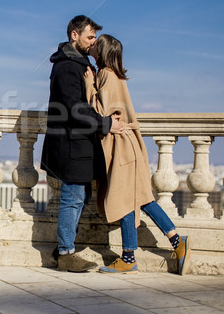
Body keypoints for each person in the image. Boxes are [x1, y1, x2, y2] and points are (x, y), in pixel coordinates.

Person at [87, 34, 191, 275]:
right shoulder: (117, 75)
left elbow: (100, 112)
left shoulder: (104, 75)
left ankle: (129, 258)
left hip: (120, 145)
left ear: (101, 52)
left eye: (95, 44)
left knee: (124, 199)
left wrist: (89, 84)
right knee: (142, 198)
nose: (91, 45)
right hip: (130, 144)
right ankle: (176, 240)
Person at [41, 16, 124, 272]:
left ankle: (64, 248)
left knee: (81, 195)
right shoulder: (68, 66)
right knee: (73, 197)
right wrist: (106, 124)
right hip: (70, 144)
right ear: (74, 36)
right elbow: (75, 108)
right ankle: (66, 253)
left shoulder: (78, 63)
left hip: (78, 144)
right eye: (89, 37)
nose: (92, 43)